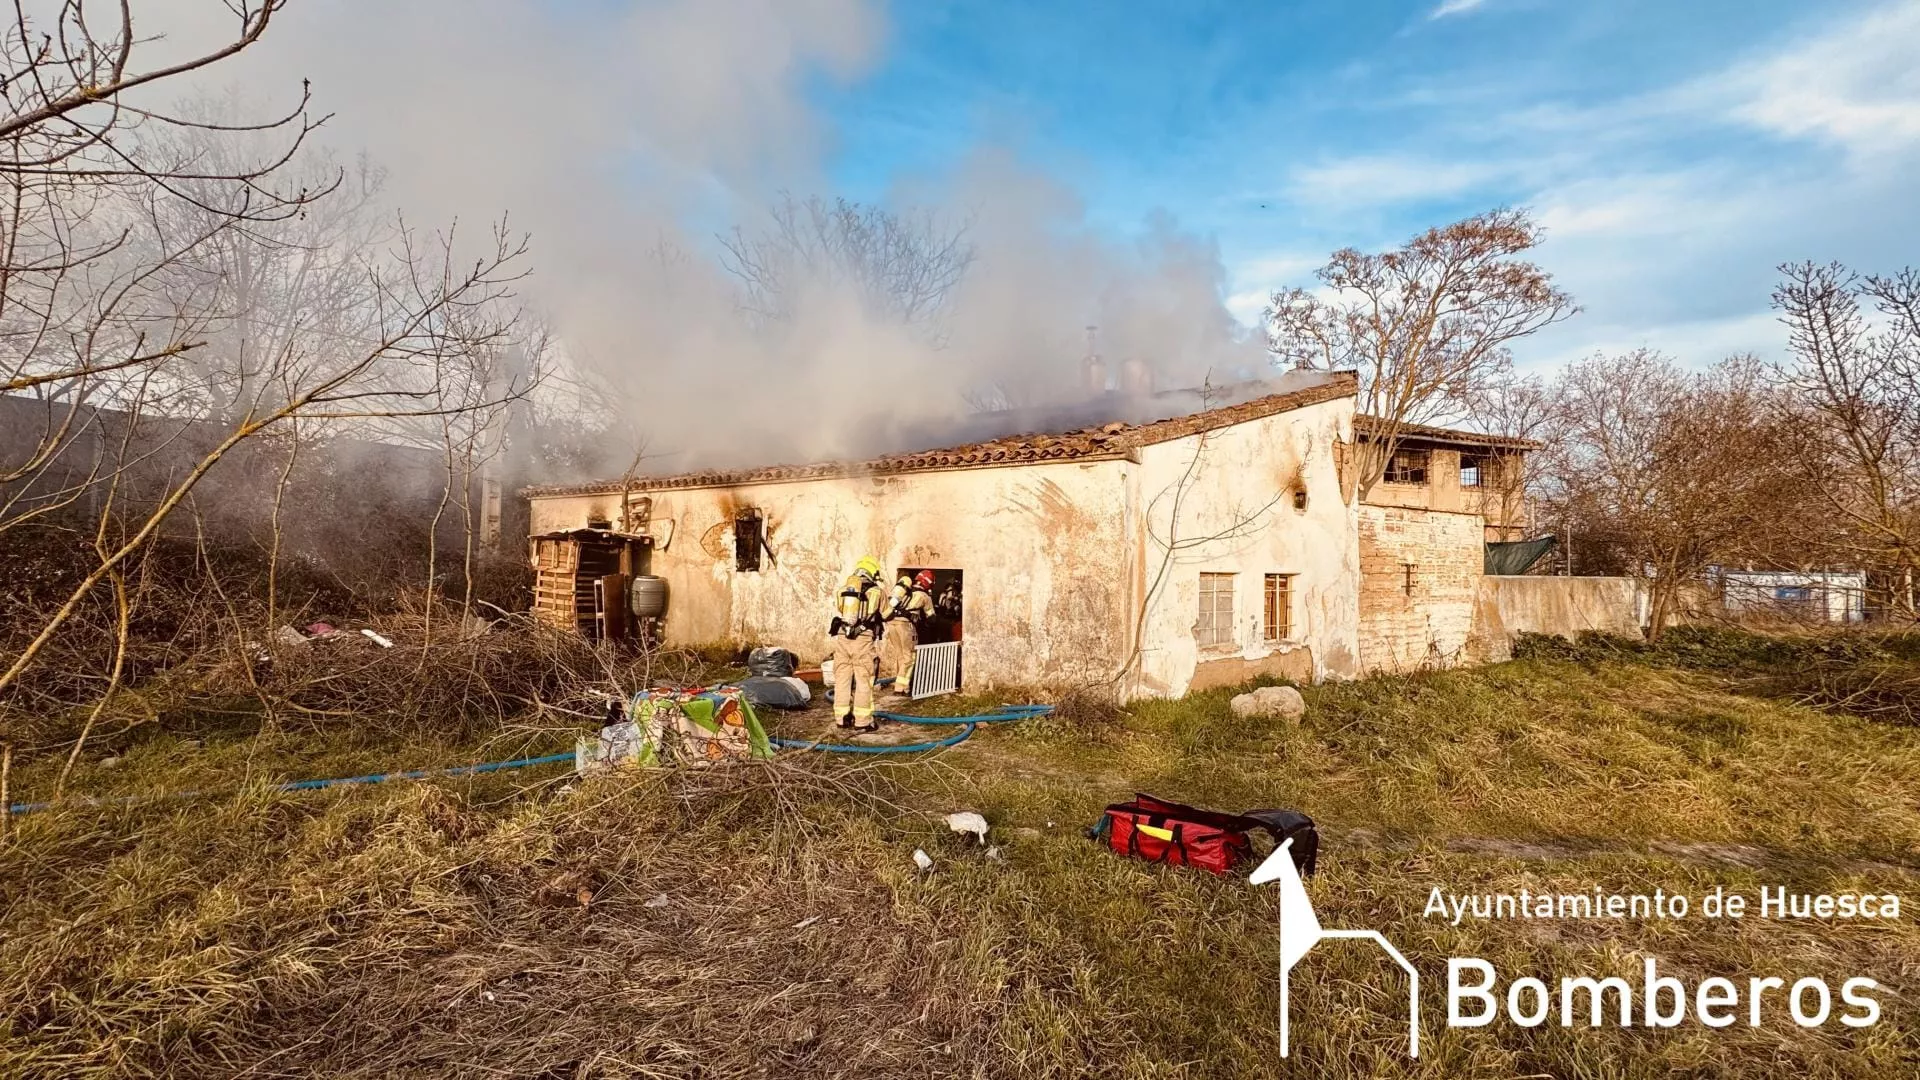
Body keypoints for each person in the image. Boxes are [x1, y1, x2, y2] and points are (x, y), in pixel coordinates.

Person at [827, 556, 885, 731]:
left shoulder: (843, 589)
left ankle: (842, 719)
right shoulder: (876, 591)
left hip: (843, 638)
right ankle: (862, 721)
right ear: (872, 573)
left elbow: (841, 609)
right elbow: (888, 613)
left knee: (842, 678)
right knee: (863, 679)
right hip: (863, 640)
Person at [880, 569, 935, 694]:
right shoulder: (924, 596)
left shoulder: (904, 591)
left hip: (892, 624)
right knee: (909, 657)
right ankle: (901, 688)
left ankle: (900, 686)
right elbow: (931, 619)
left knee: (900, 656)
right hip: (906, 627)